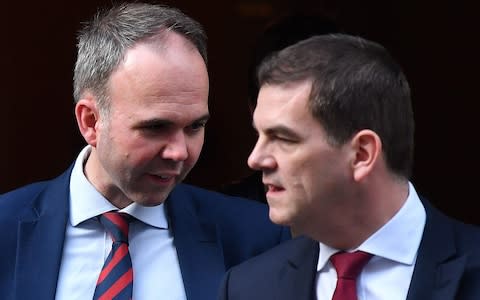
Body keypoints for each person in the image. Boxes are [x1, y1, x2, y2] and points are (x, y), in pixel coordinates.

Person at [0, 3, 290, 300]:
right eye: (156, 127)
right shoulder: (6, 229)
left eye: (194, 126)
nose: (179, 152)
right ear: (91, 121)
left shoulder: (255, 239)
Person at [219, 34, 480, 299]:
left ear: (361, 154)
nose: (255, 158)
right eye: (259, 135)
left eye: (284, 138)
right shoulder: (247, 287)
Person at [220, 14, 339, 203]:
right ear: (253, 109)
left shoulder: (392, 215)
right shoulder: (226, 215)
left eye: (285, 136)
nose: (254, 160)